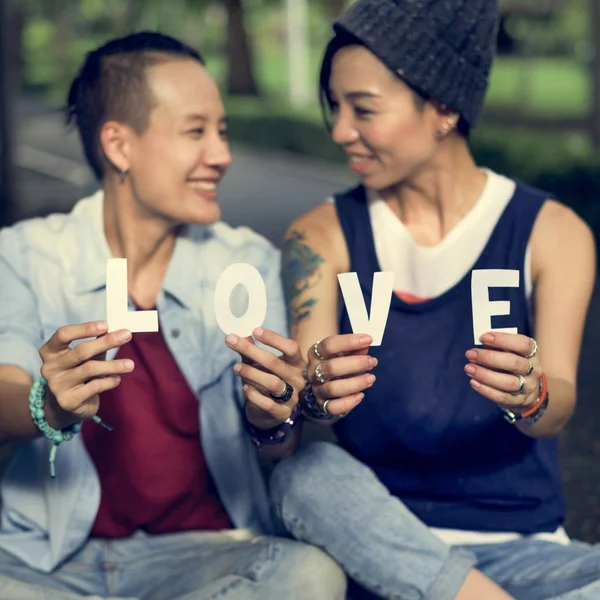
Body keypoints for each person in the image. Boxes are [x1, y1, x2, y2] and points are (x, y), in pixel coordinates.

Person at [231, 0, 599, 598]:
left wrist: (532, 393)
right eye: (335, 107)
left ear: (445, 108)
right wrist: (311, 398)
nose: (340, 130)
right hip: (377, 542)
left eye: (364, 110)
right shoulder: (320, 236)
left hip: (524, 553)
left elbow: (557, 409)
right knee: (308, 476)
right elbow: (296, 425)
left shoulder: (553, 233)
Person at [0, 31, 346, 600]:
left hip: (204, 558)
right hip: (52, 563)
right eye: (195, 132)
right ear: (119, 145)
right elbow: (5, 395)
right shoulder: (28, 254)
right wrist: (50, 402)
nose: (221, 155)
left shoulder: (247, 264)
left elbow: (280, 446)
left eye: (223, 131)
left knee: (309, 576)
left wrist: (273, 418)